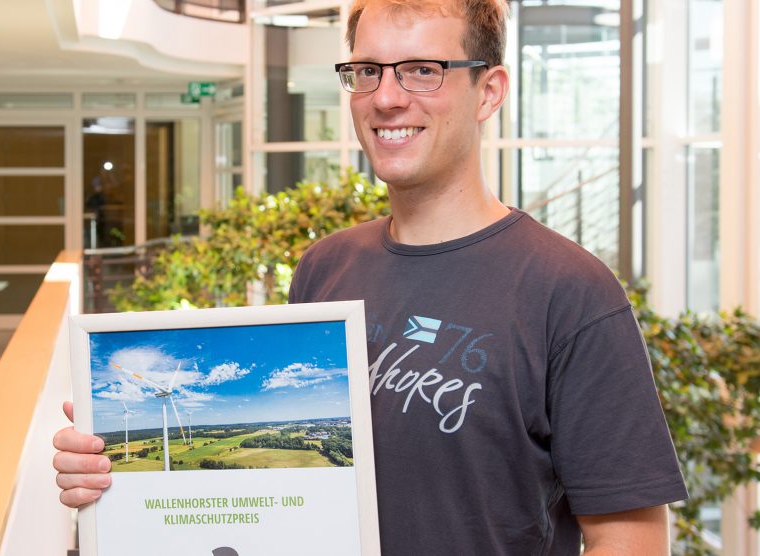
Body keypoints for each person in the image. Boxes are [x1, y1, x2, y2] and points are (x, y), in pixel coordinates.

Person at [53, 0, 689, 553]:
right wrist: (117, 469)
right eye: (367, 71)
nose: (386, 97)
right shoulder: (325, 269)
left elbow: (630, 541)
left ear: (489, 92)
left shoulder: (570, 291)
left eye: (423, 70)